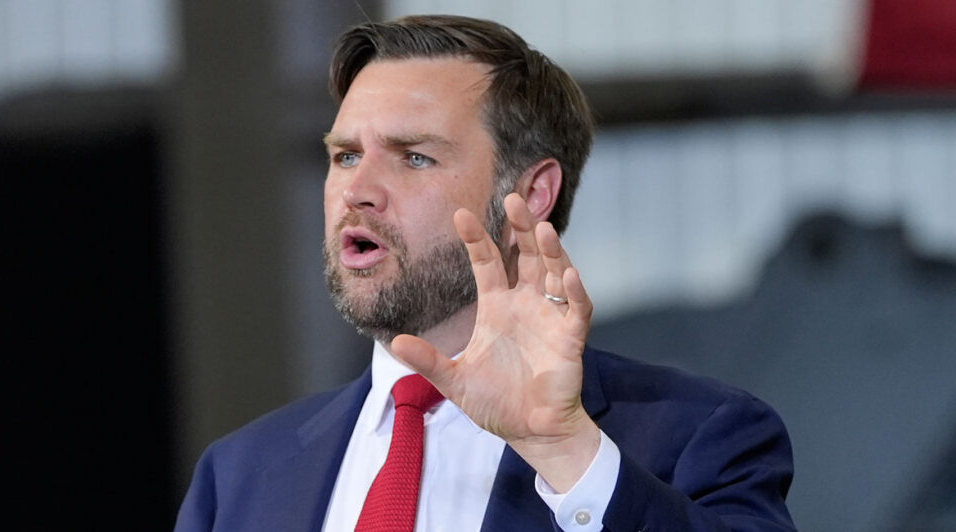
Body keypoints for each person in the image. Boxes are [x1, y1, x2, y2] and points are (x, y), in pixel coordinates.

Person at [174, 14, 795, 532]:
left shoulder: (700, 434)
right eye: (346, 155)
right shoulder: (238, 477)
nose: (357, 190)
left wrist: (565, 449)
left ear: (531, 193)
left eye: (414, 157)